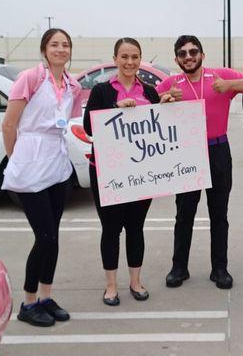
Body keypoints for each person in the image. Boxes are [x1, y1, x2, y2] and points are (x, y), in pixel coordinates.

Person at [156, 35, 243, 289]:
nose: (188, 56)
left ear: (202, 55)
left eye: (193, 52)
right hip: (186, 154)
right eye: (182, 53)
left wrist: (229, 85)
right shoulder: (171, 83)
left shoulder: (218, 75)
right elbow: (146, 110)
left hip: (218, 151)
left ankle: (220, 268)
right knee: (184, 214)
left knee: (219, 214)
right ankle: (179, 267)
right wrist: (163, 99)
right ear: (177, 59)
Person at [83, 37, 174, 306]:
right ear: (115, 59)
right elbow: (89, 127)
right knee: (111, 229)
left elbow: (160, 126)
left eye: (135, 57)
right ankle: (111, 285)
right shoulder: (101, 91)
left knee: (136, 227)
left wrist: (167, 105)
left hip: (140, 173)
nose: (130, 62)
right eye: (124, 57)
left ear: (140, 59)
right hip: (106, 172)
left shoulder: (149, 91)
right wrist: (115, 109)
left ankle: (136, 281)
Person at [1, 28, 82, 326]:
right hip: (32, 161)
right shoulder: (30, 79)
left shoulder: (72, 84)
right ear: (44, 50)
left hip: (58, 164)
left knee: (54, 237)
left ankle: (46, 297)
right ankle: (28, 302)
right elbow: (9, 125)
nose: (61, 49)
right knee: (44, 236)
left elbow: (70, 120)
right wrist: (18, 160)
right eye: (55, 44)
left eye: (65, 45)